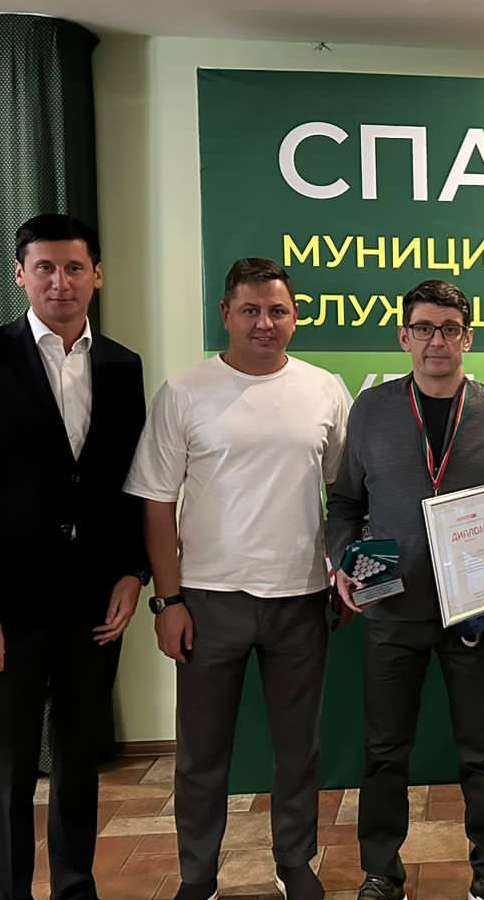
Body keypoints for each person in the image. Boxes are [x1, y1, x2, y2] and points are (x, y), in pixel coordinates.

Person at [0, 213, 147, 900]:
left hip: (93, 606)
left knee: (80, 762)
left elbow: (129, 485)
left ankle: (75, 889)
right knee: (8, 770)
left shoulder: (123, 366)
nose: (60, 282)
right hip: (4, 608)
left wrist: (133, 571)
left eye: (74, 267)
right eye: (45, 268)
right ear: (21, 274)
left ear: (97, 275)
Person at [124, 258, 348, 900]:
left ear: (295, 317)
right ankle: (198, 876)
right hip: (208, 601)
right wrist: (168, 600)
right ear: (225, 314)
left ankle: (295, 863)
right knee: (201, 754)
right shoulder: (184, 391)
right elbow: (157, 502)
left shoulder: (325, 390)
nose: (264, 323)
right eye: (250, 310)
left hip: (301, 598)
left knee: (298, 749)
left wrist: (343, 570)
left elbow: (345, 493)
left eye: (278, 311)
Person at [326, 278, 484, 900]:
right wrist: (343, 561)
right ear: (404, 337)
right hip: (393, 607)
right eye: (423, 328)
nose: (436, 340)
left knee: (483, 751)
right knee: (384, 750)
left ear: (468, 338)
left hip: (475, 609)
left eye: (449, 329)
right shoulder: (372, 409)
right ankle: (380, 872)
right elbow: (345, 503)